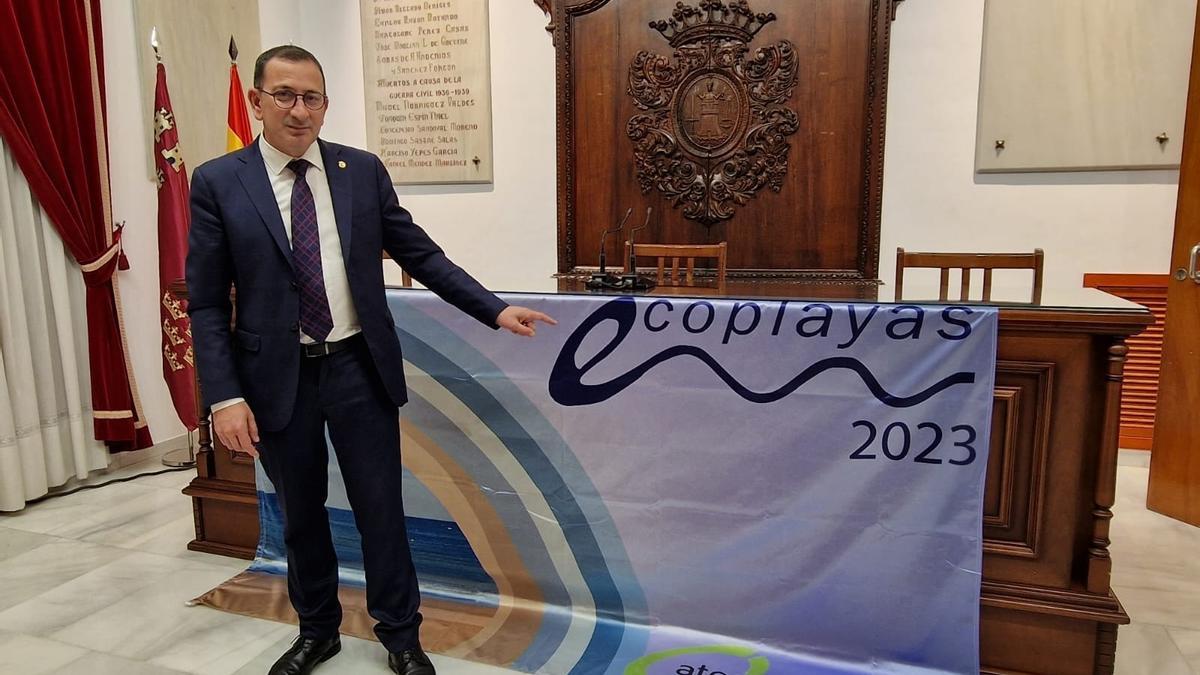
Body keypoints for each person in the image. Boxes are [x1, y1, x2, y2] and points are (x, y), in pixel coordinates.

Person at [186, 45, 555, 675]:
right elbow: (206, 303)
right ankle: (317, 630)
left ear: (326, 104)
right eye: (285, 96)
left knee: (381, 509)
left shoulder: (360, 171)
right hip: (277, 377)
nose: (300, 111)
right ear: (256, 101)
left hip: (358, 368)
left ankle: (401, 635)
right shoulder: (221, 181)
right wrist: (224, 397)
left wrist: (493, 309)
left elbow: (422, 255)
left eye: (312, 98)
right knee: (299, 514)